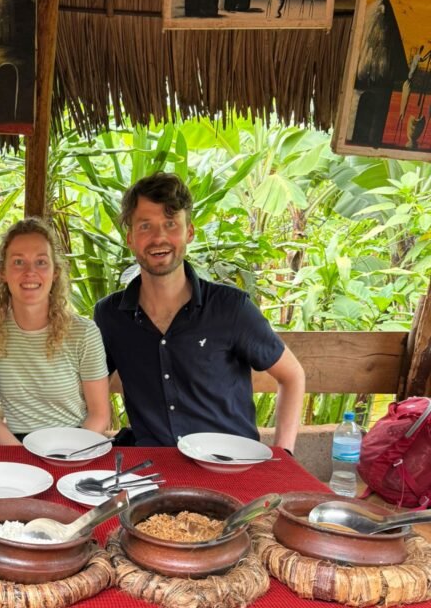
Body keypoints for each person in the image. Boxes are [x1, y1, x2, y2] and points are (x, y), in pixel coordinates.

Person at [94, 172, 304, 450]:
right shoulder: (110, 316)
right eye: (145, 226)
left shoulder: (231, 308)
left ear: (189, 232)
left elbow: (292, 375)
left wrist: (283, 454)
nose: (159, 238)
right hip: (153, 469)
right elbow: (88, 387)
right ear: (130, 238)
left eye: (171, 224)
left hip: (231, 466)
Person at [0, 217, 109, 444]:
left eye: (41, 262)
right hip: (16, 446)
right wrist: (23, 458)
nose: (30, 272)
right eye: (18, 262)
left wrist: (66, 454)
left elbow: (99, 416)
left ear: (55, 271)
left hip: (76, 443)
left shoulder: (83, 333)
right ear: (2, 272)